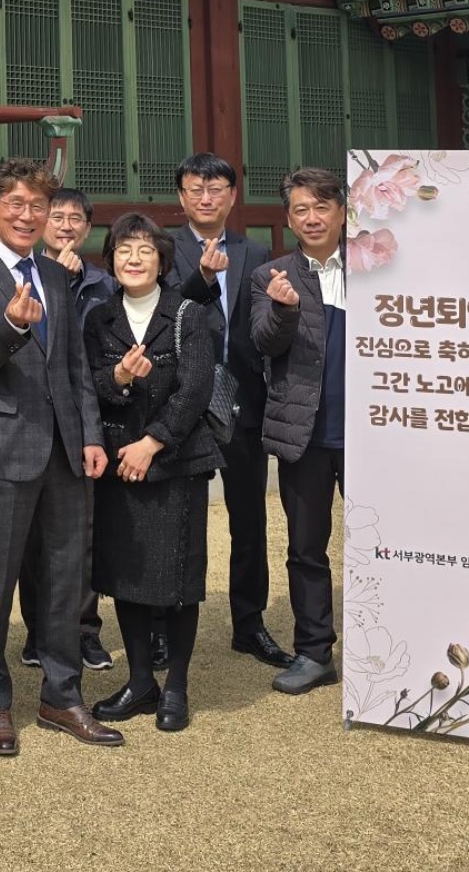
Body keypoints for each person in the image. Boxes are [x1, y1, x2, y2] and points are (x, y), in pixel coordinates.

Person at [0, 159, 119, 758]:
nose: (27, 215)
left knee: (66, 578)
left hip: (65, 448)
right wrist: (12, 327)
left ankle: (61, 696)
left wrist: (90, 434)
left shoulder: (53, 271)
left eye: (37, 206)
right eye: (15, 204)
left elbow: (73, 365)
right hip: (1, 447)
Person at [86, 213, 220, 733]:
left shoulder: (188, 313)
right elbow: (91, 384)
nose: (134, 259)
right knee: (127, 575)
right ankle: (141, 681)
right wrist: (119, 376)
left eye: (144, 250)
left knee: (178, 577)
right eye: (124, 250)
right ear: (111, 260)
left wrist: (153, 441)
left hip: (176, 463)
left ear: (162, 262)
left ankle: (177, 685)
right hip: (120, 465)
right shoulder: (99, 317)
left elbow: (195, 389)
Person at [170, 153, 289, 670]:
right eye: (196, 189)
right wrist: (200, 277)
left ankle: (250, 622)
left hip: (242, 398)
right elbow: (163, 311)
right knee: (178, 516)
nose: (206, 197)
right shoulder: (163, 248)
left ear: (232, 196)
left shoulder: (254, 251)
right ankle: (166, 624)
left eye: (216, 188)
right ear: (181, 197)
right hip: (182, 399)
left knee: (249, 515)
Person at [250, 167, 349, 697]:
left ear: (342, 213)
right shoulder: (271, 275)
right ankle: (314, 652)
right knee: (307, 548)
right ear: (289, 220)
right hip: (303, 435)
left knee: (385, 544)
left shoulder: (378, 269)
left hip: (373, 435)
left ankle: (393, 644)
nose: (312, 218)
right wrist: (284, 309)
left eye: (321, 207)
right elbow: (264, 343)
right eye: (301, 210)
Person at [18, 186, 116, 674]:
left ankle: (84, 630)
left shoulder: (102, 284)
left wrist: (71, 282)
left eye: (76, 218)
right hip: (32, 420)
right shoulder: (24, 275)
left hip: (85, 417)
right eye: (56, 216)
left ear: (88, 227)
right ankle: (37, 630)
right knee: (33, 536)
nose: (65, 226)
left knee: (83, 533)